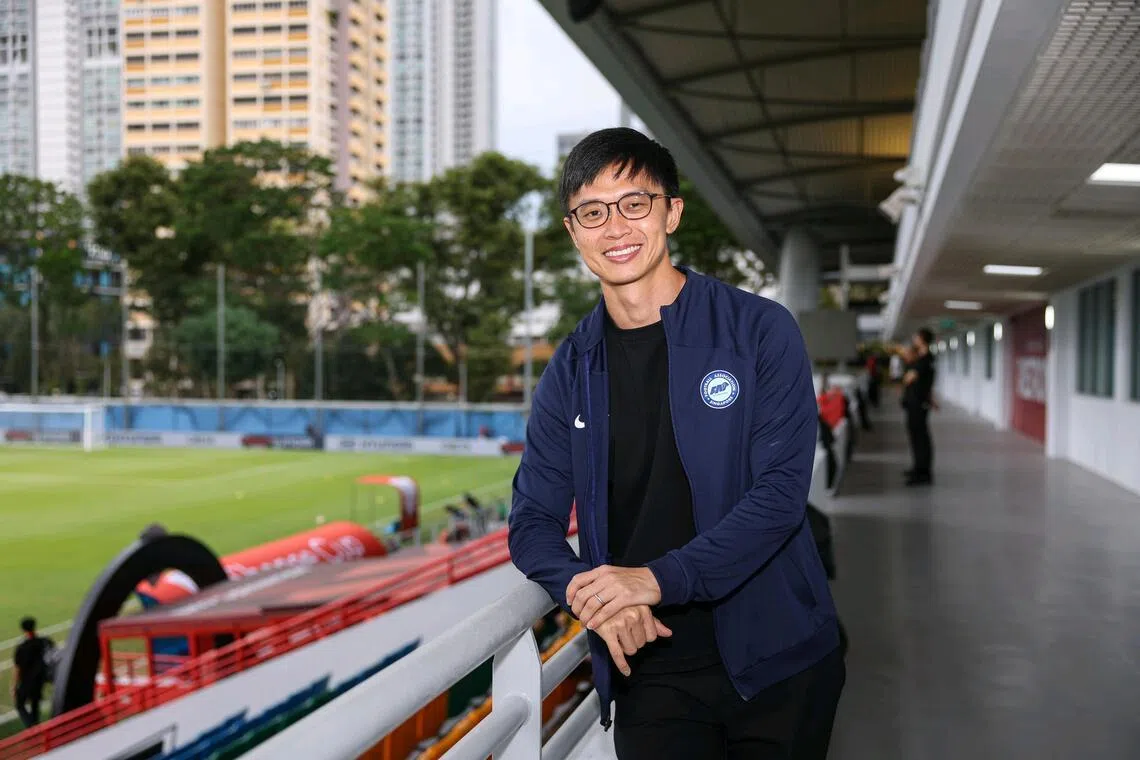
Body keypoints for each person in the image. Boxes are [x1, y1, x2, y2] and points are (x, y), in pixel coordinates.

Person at [508, 127, 845, 760]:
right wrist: (598, 599)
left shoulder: (758, 331)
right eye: (592, 212)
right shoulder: (572, 368)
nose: (615, 227)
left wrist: (654, 580)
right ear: (573, 231)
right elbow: (532, 522)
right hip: (648, 665)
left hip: (776, 658)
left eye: (635, 202)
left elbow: (777, 499)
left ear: (672, 211)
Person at [902, 328, 937, 486]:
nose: (914, 339)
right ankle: (918, 467)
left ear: (922, 339)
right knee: (916, 437)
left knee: (920, 438)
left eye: (916, 337)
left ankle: (923, 473)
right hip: (915, 403)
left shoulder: (925, 360)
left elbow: (909, 378)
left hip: (918, 404)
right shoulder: (922, 359)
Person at [11, 617, 50, 728]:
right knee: (35, 705)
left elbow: (17, 668)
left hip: (26, 681)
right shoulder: (43, 641)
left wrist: (14, 686)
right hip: (39, 679)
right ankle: (36, 726)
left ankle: (32, 727)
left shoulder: (21, 647)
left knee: (20, 704)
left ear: (23, 629)